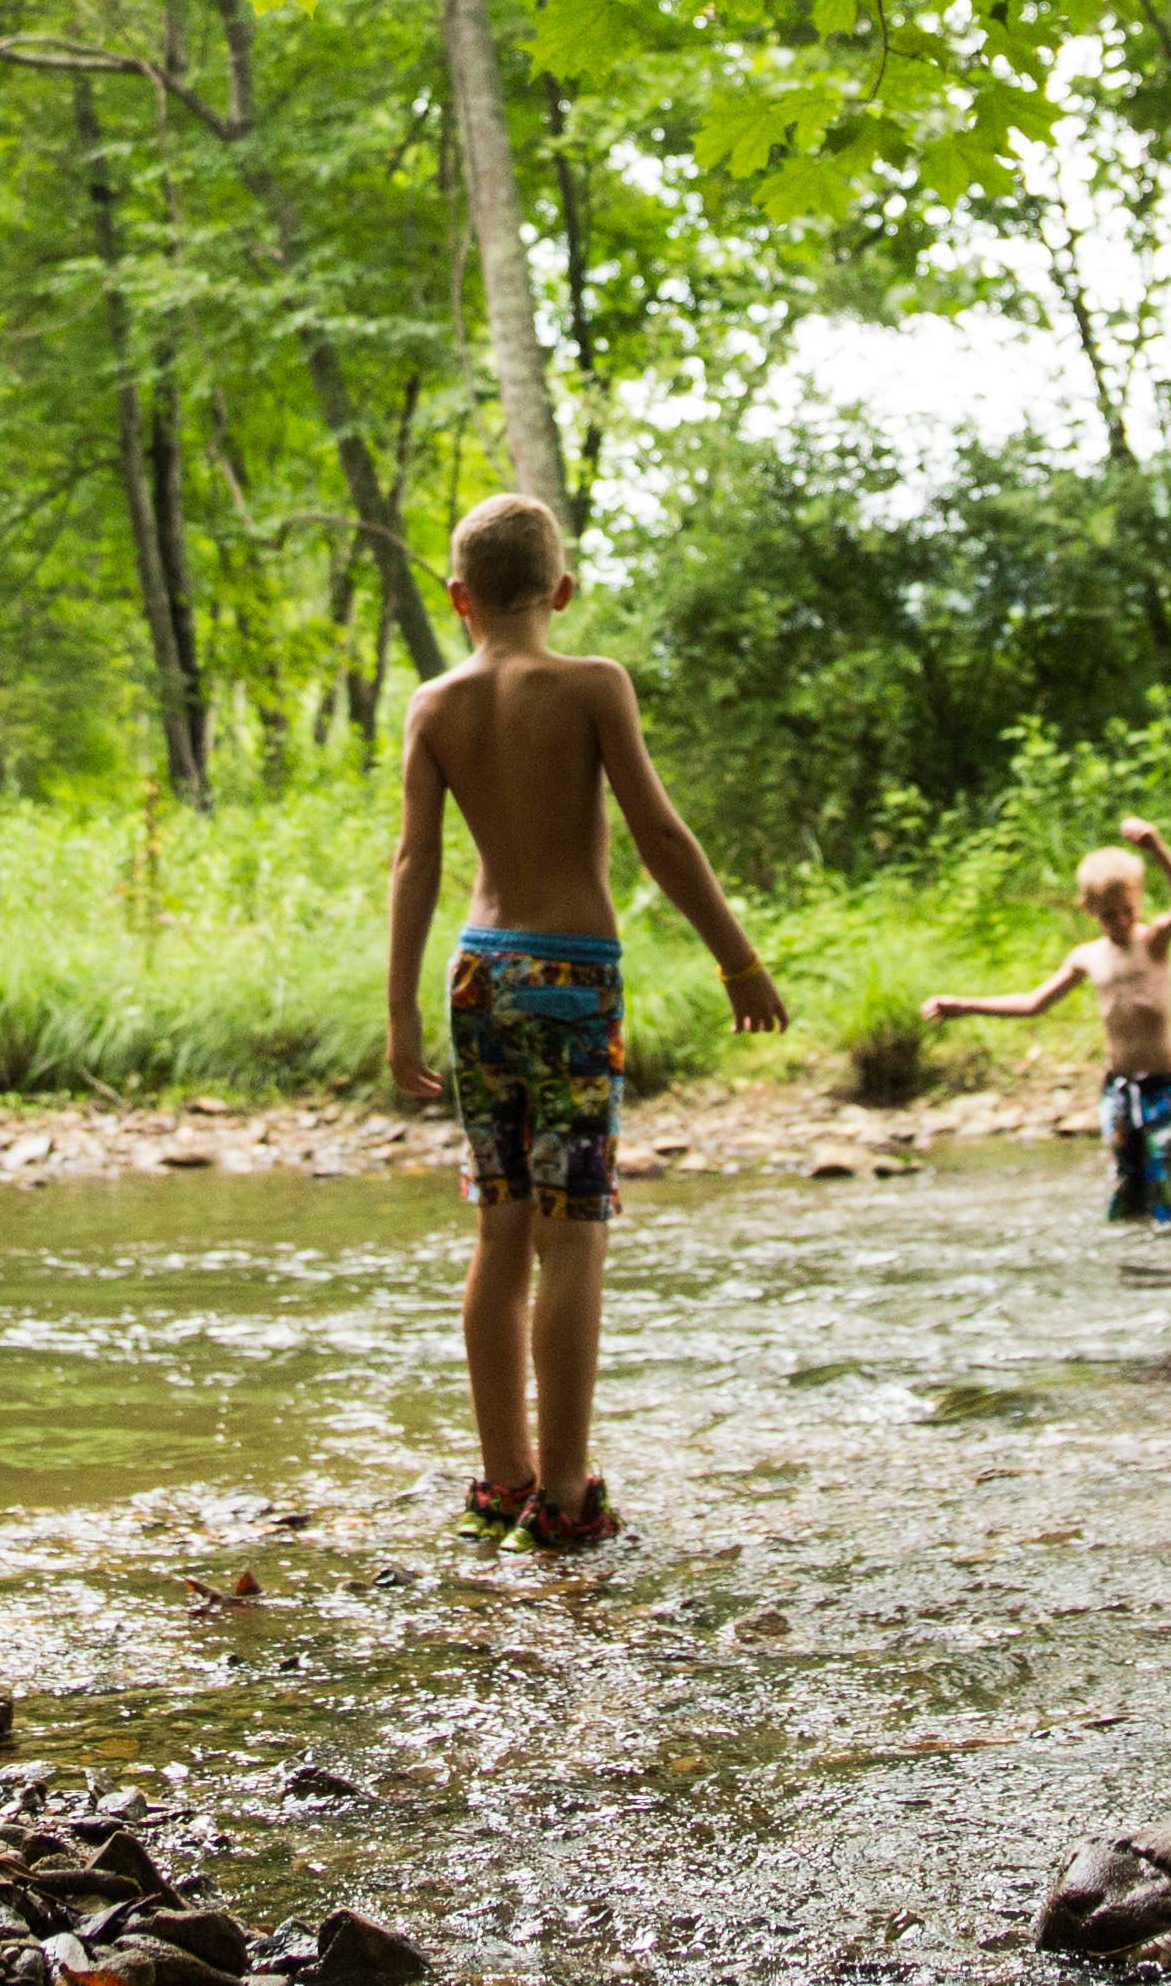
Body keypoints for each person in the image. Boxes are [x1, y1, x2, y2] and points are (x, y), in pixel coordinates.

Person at [383, 490, 789, 1556]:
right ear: (562, 590)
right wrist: (736, 958)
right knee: (574, 1237)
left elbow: (415, 864)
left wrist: (399, 1018)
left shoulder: (434, 705)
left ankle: (500, 1480)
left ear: (458, 598)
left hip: (476, 977)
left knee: (500, 1227)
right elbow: (658, 831)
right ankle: (563, 1495)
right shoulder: (593, 685)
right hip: (572, 979)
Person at [923, 820, 1171, 1224]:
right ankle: (1137, 1268)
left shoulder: (1154, 942)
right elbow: (1033, 1003)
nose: (1119, 922)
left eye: (1128, 912)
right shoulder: (1088, 957)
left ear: (1140, 901)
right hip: (1120, 1092)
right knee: (1130, 1189)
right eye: (1109, 915)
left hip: (1167, 1089)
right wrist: (964, 1005)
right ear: (1088, 909)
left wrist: (1157, 847)